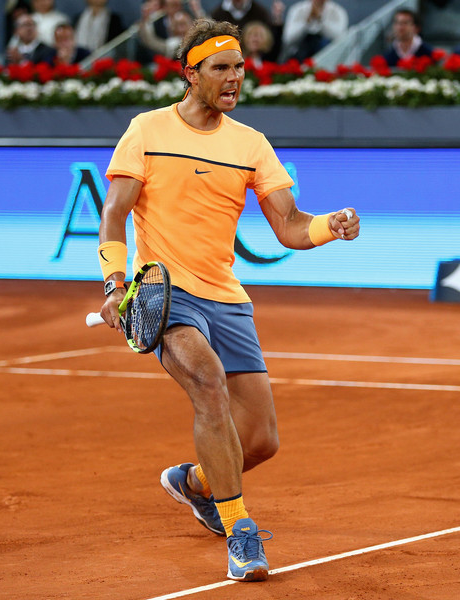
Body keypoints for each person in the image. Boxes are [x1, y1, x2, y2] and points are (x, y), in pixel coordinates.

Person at [96, 18, 360, 582]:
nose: (235, 77)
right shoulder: (146, 129)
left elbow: (289, 224)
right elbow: (115, 212)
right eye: (221, 67)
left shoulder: (251, 144)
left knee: (261, 440)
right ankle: (240, 531)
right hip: (166, 291)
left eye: (240, 66)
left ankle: (193, 482)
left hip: (228, 297)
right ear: (190, 74)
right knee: (209, 384)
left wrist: (329, 226)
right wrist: (115, 283)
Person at [281, 0, 348, 62]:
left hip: (328, 56)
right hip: (300, 53)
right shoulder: (298, 10)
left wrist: (321, 21)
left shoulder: (338, 12)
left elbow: (341, 38)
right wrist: (306, 23)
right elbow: (287, 39)